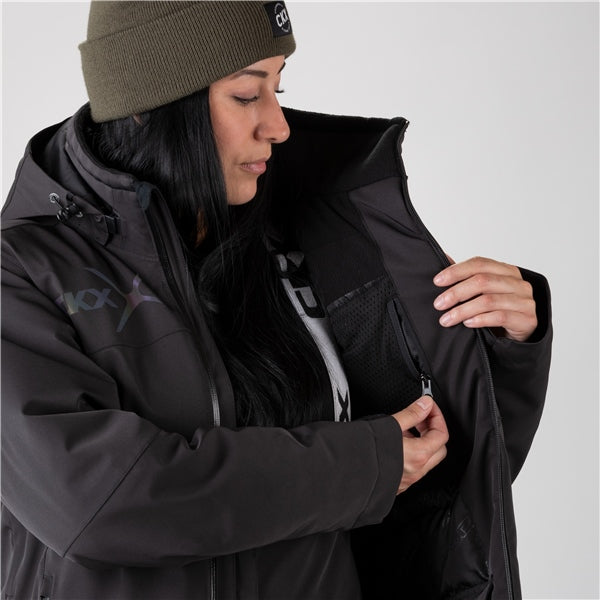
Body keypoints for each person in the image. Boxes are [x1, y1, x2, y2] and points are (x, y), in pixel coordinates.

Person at [1, 2, 551, 599]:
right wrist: (363, 466)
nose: (278, 125)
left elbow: (440, 479)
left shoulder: (304, 240)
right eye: (246, 95)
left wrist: (501, 347)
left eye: (278, 89)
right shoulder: (22, 274)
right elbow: (98, 503)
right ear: (148, 106)